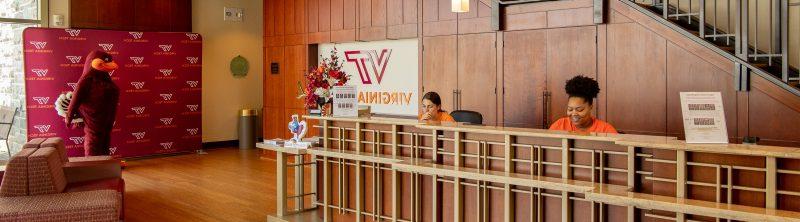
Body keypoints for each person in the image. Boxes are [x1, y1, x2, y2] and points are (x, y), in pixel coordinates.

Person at [549, 75, 618, 134]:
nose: (574, 113)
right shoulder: (559, 125)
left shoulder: (605, 130)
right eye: (570, 109)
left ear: (590, 107)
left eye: (579, 110)